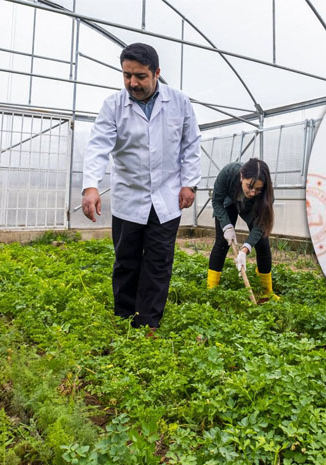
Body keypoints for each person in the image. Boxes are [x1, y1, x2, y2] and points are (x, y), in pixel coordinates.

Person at [81, 43, 201, 330]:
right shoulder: (113, 105)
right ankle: (124, 317)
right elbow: (98, 146)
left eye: (140, 76)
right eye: (126, 75)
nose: (132, 83)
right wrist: (90, 187)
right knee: (127, 261)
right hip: (129, 198)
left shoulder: (179, 102)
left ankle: (148, 323)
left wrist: (189, 184)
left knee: (158, 263)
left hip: (167, 196)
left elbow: (191, 144)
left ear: (157, 73)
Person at [207, 158, 278, 299]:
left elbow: (260, 225)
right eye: (249, 186)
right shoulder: (228, 173)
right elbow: (217, 201)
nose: (252, 192)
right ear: (241, 176)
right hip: (228, 204)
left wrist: (245, 249)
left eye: (257, 189)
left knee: (262, 242)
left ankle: (267, 292)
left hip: (250, 208)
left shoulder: (265, 196)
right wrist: (227, 226)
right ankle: (211, 289)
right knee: (222, 243)